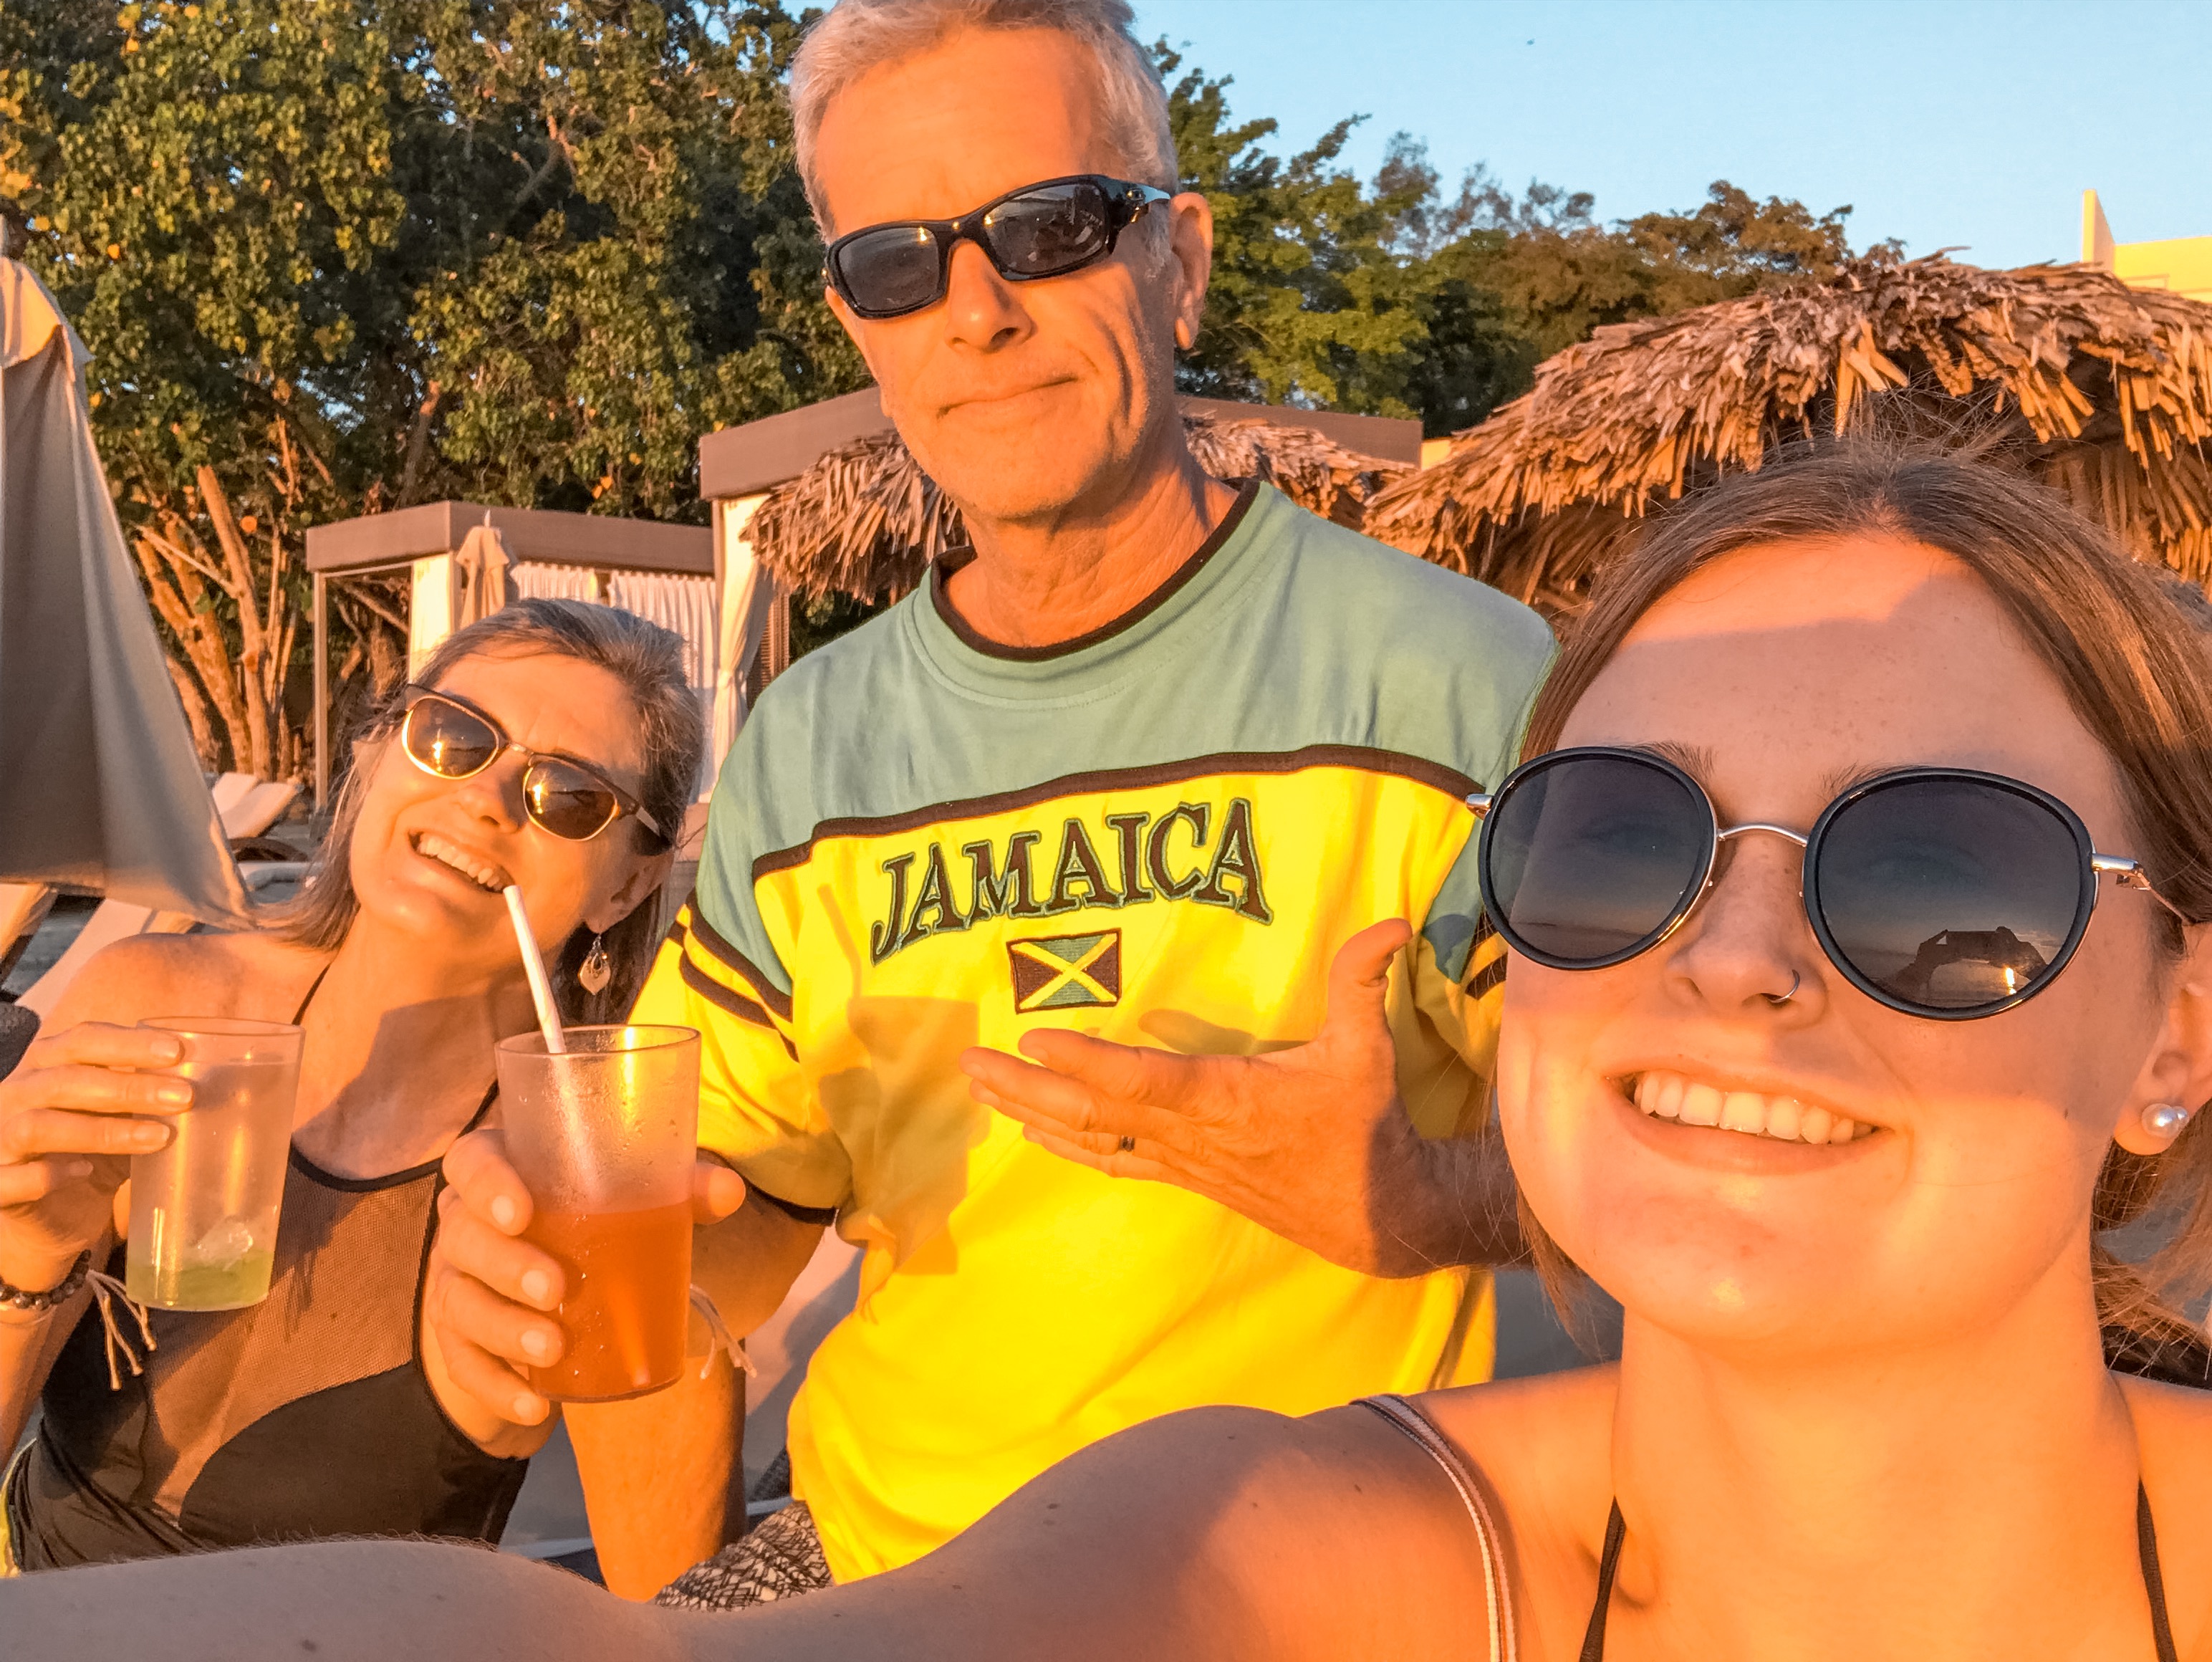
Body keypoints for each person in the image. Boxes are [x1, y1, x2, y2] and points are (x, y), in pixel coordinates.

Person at [19, 441, 2212, 1660]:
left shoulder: (1420, 660)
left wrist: (1412, 1194)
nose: (1732, 959)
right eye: (1619, 840)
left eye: (1946, 875)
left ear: (2177, 1026)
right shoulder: (1327, 1536)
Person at [425, 0, 1552, 1601]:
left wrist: (1421, 1200)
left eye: (1049, 228)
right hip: (877, 1566)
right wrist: (563, 1264)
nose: (975, 311)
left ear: (1178, 262)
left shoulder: (1456, 683)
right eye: (898, 263)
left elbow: (1678, 1155)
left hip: (1292, 1589)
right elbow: (740, 1218)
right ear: (856, 324)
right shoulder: (814, 746)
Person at [0, 600, 725, 1592]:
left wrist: (674, 1346)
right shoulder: (151, 1004)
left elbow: (670, 1603)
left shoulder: (583, 1159)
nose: (488, 799)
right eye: (454, 736)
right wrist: (25, 1263)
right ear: (380, 753)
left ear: (627, 888)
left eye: (568, 796)